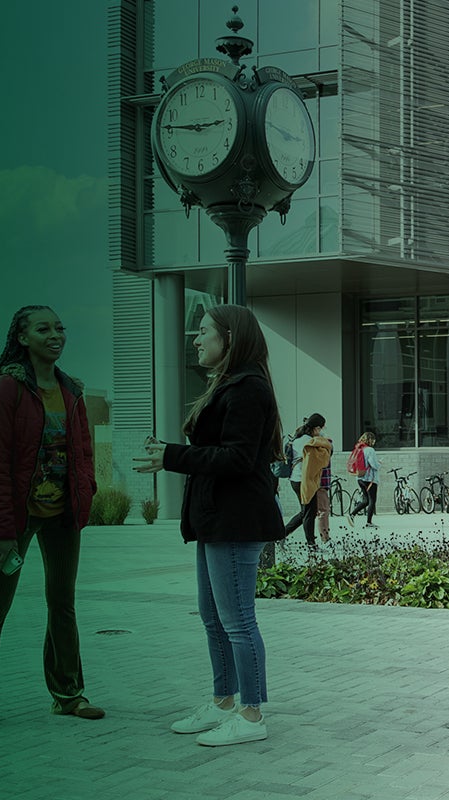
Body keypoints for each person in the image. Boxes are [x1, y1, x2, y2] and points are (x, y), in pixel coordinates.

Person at [0, 306, 101, 739]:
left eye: (59, 327)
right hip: (17, 516)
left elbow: (84, 451)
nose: (55, 334)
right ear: (23, 338)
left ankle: (68, 694)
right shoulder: (6, 388)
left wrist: (85, 492)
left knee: (62, 604)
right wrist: (0, 531)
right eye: (43, 328)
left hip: (62, 515)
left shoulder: (70, 390)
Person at [134, 304, 284, 747]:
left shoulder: (248, 387)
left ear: (230, 338)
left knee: (238, 620)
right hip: (216, 519)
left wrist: (172, 456)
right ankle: (223, 701)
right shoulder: (229, 384)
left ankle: (251, 715)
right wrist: (172, 453)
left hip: (235, 520)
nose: (196, 340)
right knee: (214, 617)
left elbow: (237, 457)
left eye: (204, 332)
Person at [284, 414, 333, 548]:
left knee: (306, 512)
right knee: (309, 513)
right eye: (321, 428)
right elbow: (323, 459)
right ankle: (311, 544)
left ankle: (282, 534)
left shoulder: (298, 439)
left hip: (296, 479)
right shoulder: (310, 442)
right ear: (316, 428)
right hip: (304, 480)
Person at [348, 431, 380, 528]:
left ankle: (352, 514)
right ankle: (369, 522)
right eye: (373, 440)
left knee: (366, 500)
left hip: (360, 478)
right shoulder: (370, 450)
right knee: (372, 500)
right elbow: (374, 465)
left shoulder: (358, 448)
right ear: (370, 440)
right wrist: (379, 464)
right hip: (370, 479)